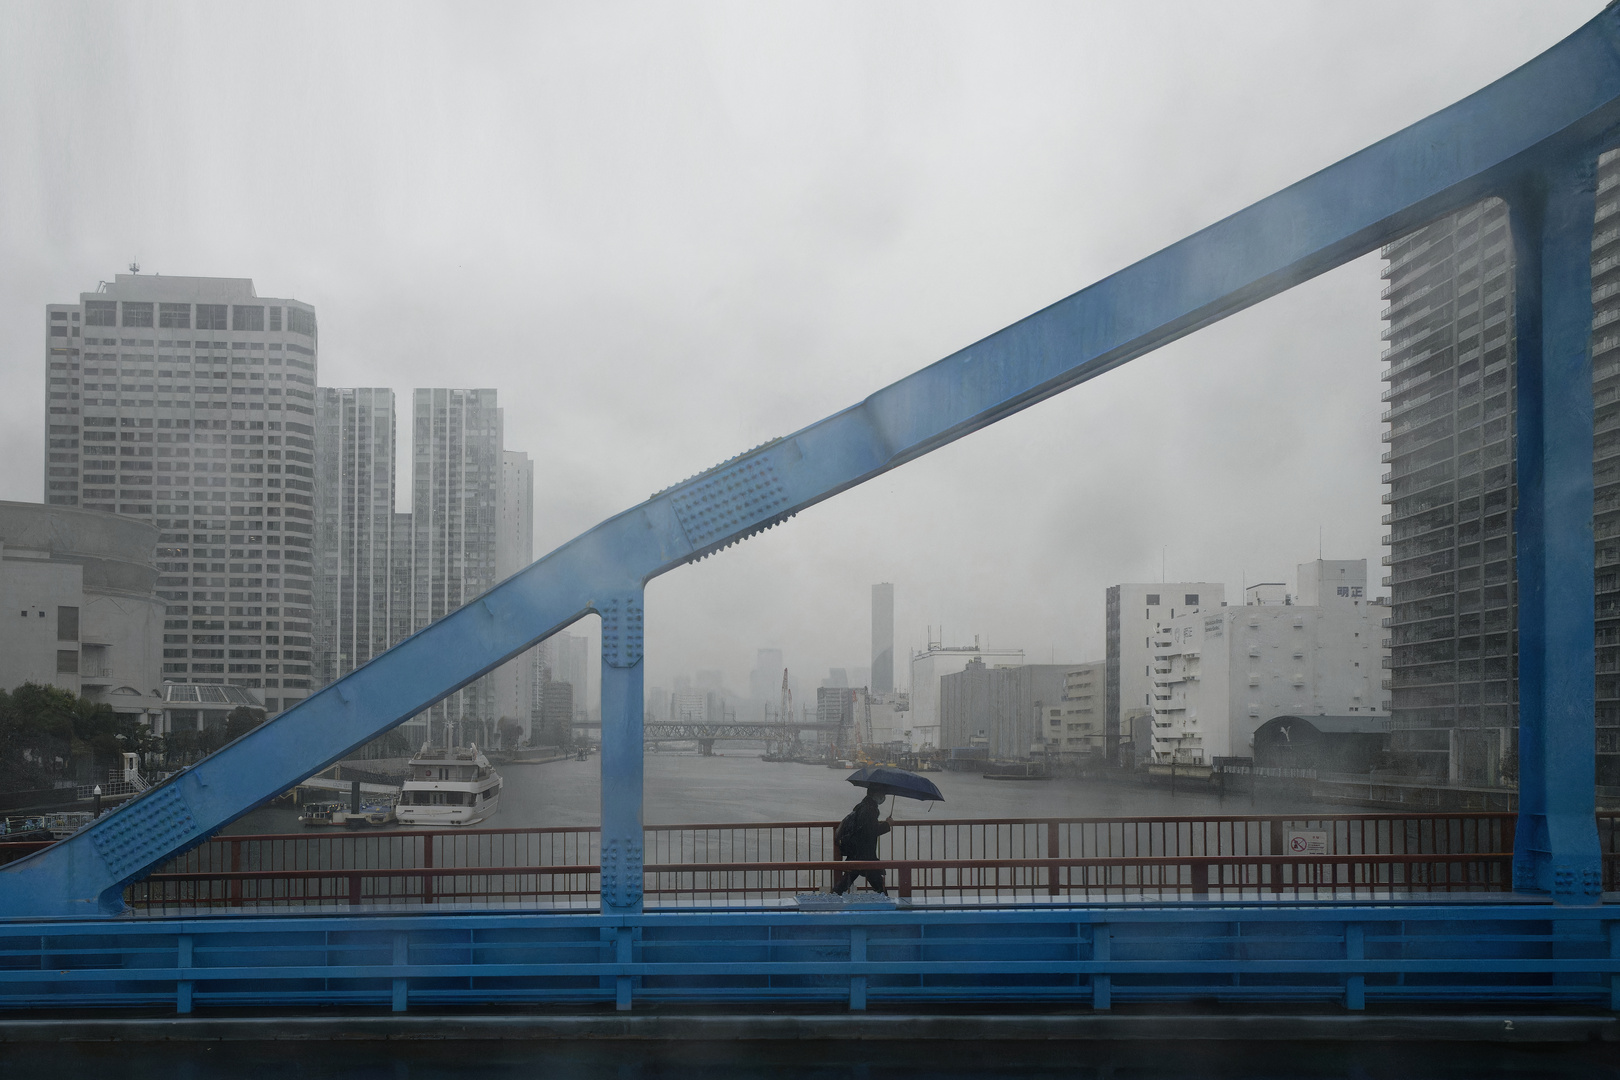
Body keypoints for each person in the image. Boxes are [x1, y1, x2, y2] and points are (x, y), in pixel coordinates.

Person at [833, 787, 893, 895]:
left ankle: (832, 899)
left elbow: (866, 827)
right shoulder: (870, 809)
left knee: (845, 881)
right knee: (878, 884)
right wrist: (887, 825)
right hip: (865, 854)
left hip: (857, 852)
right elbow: (870, 831)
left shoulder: (862, 806)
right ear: (876, 794)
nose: (883, 798)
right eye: (882, 794)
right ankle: (886, 903)